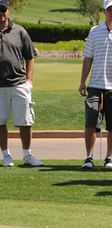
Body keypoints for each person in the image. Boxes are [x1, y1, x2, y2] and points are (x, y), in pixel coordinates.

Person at [79, 0, 112, 169]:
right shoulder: (95, 31)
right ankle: (89, 157)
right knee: (90, 122)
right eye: (109, 10)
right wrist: (82, 81)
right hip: (95, 84)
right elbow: (88, 58)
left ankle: (108, 158)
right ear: (104, 11)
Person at [0, 0, 43, 167]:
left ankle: (27, 155)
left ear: (8, 11)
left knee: (25, 121)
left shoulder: (19, 31)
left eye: (3, 10)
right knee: (0, 121)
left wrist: (29, 80)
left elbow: (30, 57)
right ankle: (6, 156)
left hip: (19, 83)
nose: (1, 14)